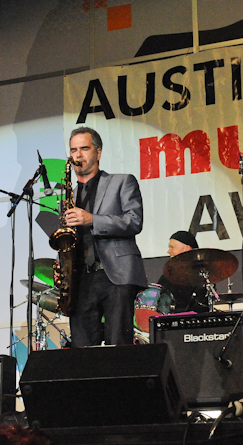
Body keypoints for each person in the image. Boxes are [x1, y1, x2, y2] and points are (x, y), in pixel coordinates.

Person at [62, 126, 147, 347]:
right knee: (82, 350)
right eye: (73, 150)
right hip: (80, 280)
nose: (77, 155)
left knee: (118, 346)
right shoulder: (67, 194)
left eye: (84, 149)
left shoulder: (122, 181)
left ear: (98, 153)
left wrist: (93, 220)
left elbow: (134, 221)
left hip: (115, 276)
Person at [157, 231, 209, 313]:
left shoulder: (202, 276)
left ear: (186, 248)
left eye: (172, 247)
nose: (168, 251)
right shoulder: (166, 277)